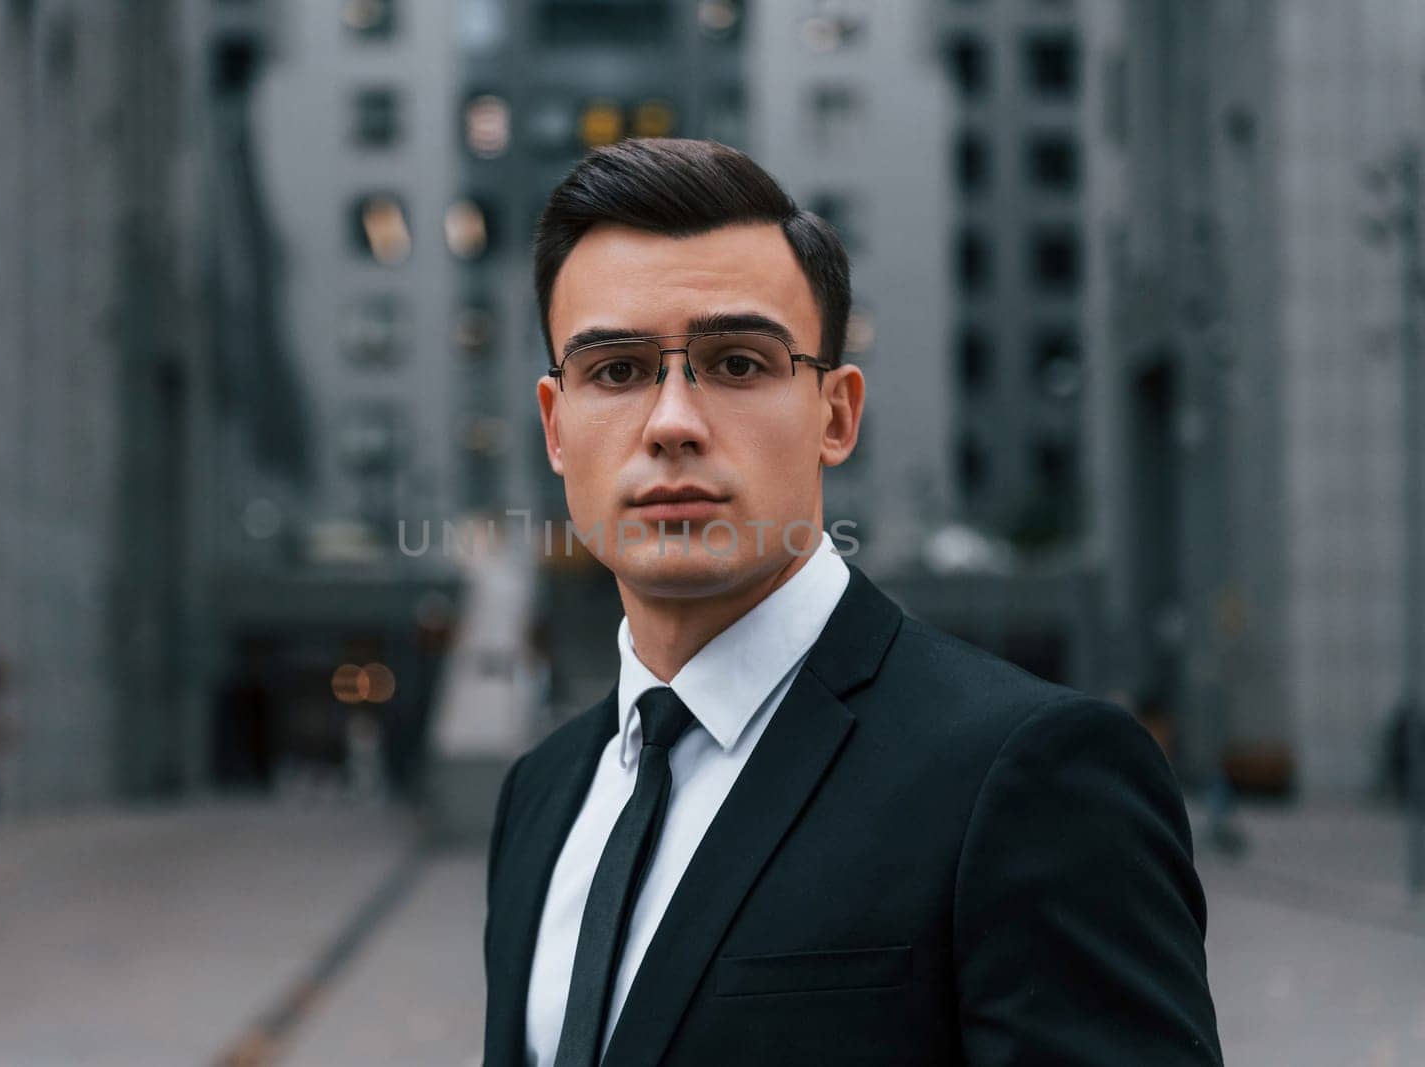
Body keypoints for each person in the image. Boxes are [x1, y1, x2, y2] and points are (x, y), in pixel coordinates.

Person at [483, 138, 1222, 1066]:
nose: (671, 422)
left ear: (837, 414)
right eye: (618, 371)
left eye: (739, 363)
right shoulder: (541, 792)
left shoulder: (1029, 774)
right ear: (556, 426)